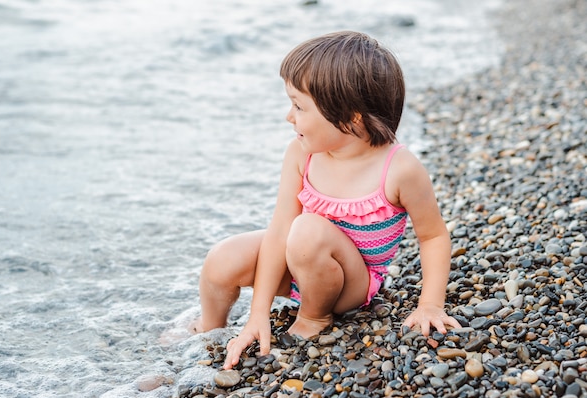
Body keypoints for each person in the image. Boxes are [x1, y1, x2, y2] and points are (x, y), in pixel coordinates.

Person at [193, 31, 461, 370]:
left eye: (298, 106)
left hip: (352, 282)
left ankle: (314, 317)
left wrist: (431, 305)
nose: (288, 117)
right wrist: (257, 315)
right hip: (301, 262)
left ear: (351, 118)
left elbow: (433, 236)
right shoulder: (301, 154)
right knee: (223, 258)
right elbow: (279, 231)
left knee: (307, 230)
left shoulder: (399, 169)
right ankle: (209, 329)